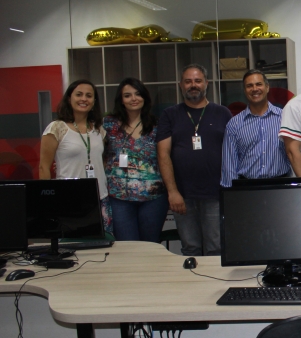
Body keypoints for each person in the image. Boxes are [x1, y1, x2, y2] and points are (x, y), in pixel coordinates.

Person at [157, 64, 232, 256]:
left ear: (206, 83)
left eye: (198, 81)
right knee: (190, 249)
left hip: (216, 194)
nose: (193, 85)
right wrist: (172, 192)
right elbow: (163, 154)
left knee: (216, 248)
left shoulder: (222, 113)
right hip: (182, 195)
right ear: (180, 85)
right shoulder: (169, 115)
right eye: (188, 81)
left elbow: (233, 152)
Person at [39, 79, 112, 233]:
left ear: (94, 101)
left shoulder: (99, 129)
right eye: (79, 94)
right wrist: (47, 201)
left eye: (89, 96)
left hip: (100, 198)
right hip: (68, 199)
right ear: (69, 98)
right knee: (71, 244)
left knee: (103, 244)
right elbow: (43, 167)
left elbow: (101, 160)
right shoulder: (57, 128)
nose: (84, 99)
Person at [103, 78, 168, 242]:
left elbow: (165, 157)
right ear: (121, 100)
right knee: (127, 247)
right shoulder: (108, 124)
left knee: (150, 246)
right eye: (127, 95)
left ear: (144, 97)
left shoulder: (157, 125)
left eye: (138, 94)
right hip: (119, 198)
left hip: (153, 198)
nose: (133, 99)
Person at [221, 70, 292, 187]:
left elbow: (293, 154)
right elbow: (229, 165)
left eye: (259, 84)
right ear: (245, 90)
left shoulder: (284, 118)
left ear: (267, 87)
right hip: (247, 188)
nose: (254, 89)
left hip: (280, 186)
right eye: (249, 86)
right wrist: (230, 193)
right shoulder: (234, 124)